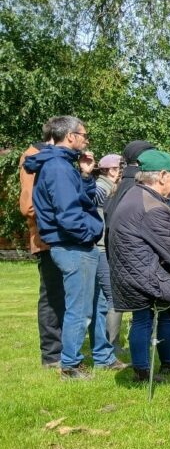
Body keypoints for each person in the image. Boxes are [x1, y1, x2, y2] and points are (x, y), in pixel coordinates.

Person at [23, 116, 123, 379]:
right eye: (83, 135)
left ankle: (100, 356)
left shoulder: (65, 165)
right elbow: (67, 213)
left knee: (95, 303)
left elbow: (83, 198)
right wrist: (88, 233)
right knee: (79, 309)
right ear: (70, 137)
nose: (85, 139)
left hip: (79, 244)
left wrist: (87, 175)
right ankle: (70, 365)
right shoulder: (57, 167)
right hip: (73, 245)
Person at [108, 149, 170, 382]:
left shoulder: (133, 194)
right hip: (145, 277)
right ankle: (143, 372)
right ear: (162, 176)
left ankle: (165, 364)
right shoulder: (153, 207)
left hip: (130, 273)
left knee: (161, 315)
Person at [18, 121, 63, 368]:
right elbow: (28, 206)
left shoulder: (53, 156)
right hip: (47, 238)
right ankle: (52, 355)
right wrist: (61, 220)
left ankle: (62, 349)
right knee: (52, 295)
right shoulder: (33, 157)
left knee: (63, 296)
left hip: (61, 237)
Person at [95, 153, 124, 351]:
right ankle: (112, 346)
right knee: (114, 296)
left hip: (99, 247)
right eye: (118, 168)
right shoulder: (103, 188)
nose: (121, 172)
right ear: (109, 170)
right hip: (100, 248)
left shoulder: (106, 187)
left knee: (101, 298)